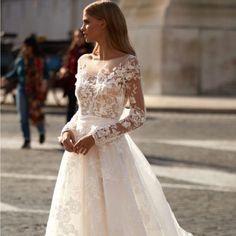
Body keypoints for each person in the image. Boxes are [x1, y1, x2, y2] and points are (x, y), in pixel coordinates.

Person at [45, 1, 193, 236]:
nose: (82, 27)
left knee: (114, 218)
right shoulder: (83, 62)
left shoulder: (128, 63)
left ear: (103, 24)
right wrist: (67, 131)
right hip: (77, 155)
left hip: (110, 153)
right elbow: (83, 110)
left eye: (87, 22)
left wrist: (97, 137)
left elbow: (137, 115)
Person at [1, 35, 49, 149]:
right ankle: (27, 140)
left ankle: (41, 131)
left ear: (32, 47)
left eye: (26, 46)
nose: (24, 48)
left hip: (35, 91)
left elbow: (46, 74)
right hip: (22, 90)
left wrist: (44, 84)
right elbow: (15, 73)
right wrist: (5, 78)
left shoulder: (40, 60)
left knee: (35, 114)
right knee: (23, 116)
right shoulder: (21, 59)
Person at [57, 29, 93, 122]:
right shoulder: (72, 50)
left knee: (82, 108)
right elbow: (67, 63)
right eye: (76, 37)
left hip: (84, 84)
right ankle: (68, 130)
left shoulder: (89, 51)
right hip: (71, 83)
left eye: (80, 37)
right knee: (70, 107)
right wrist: (63, 70)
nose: (78, 39)